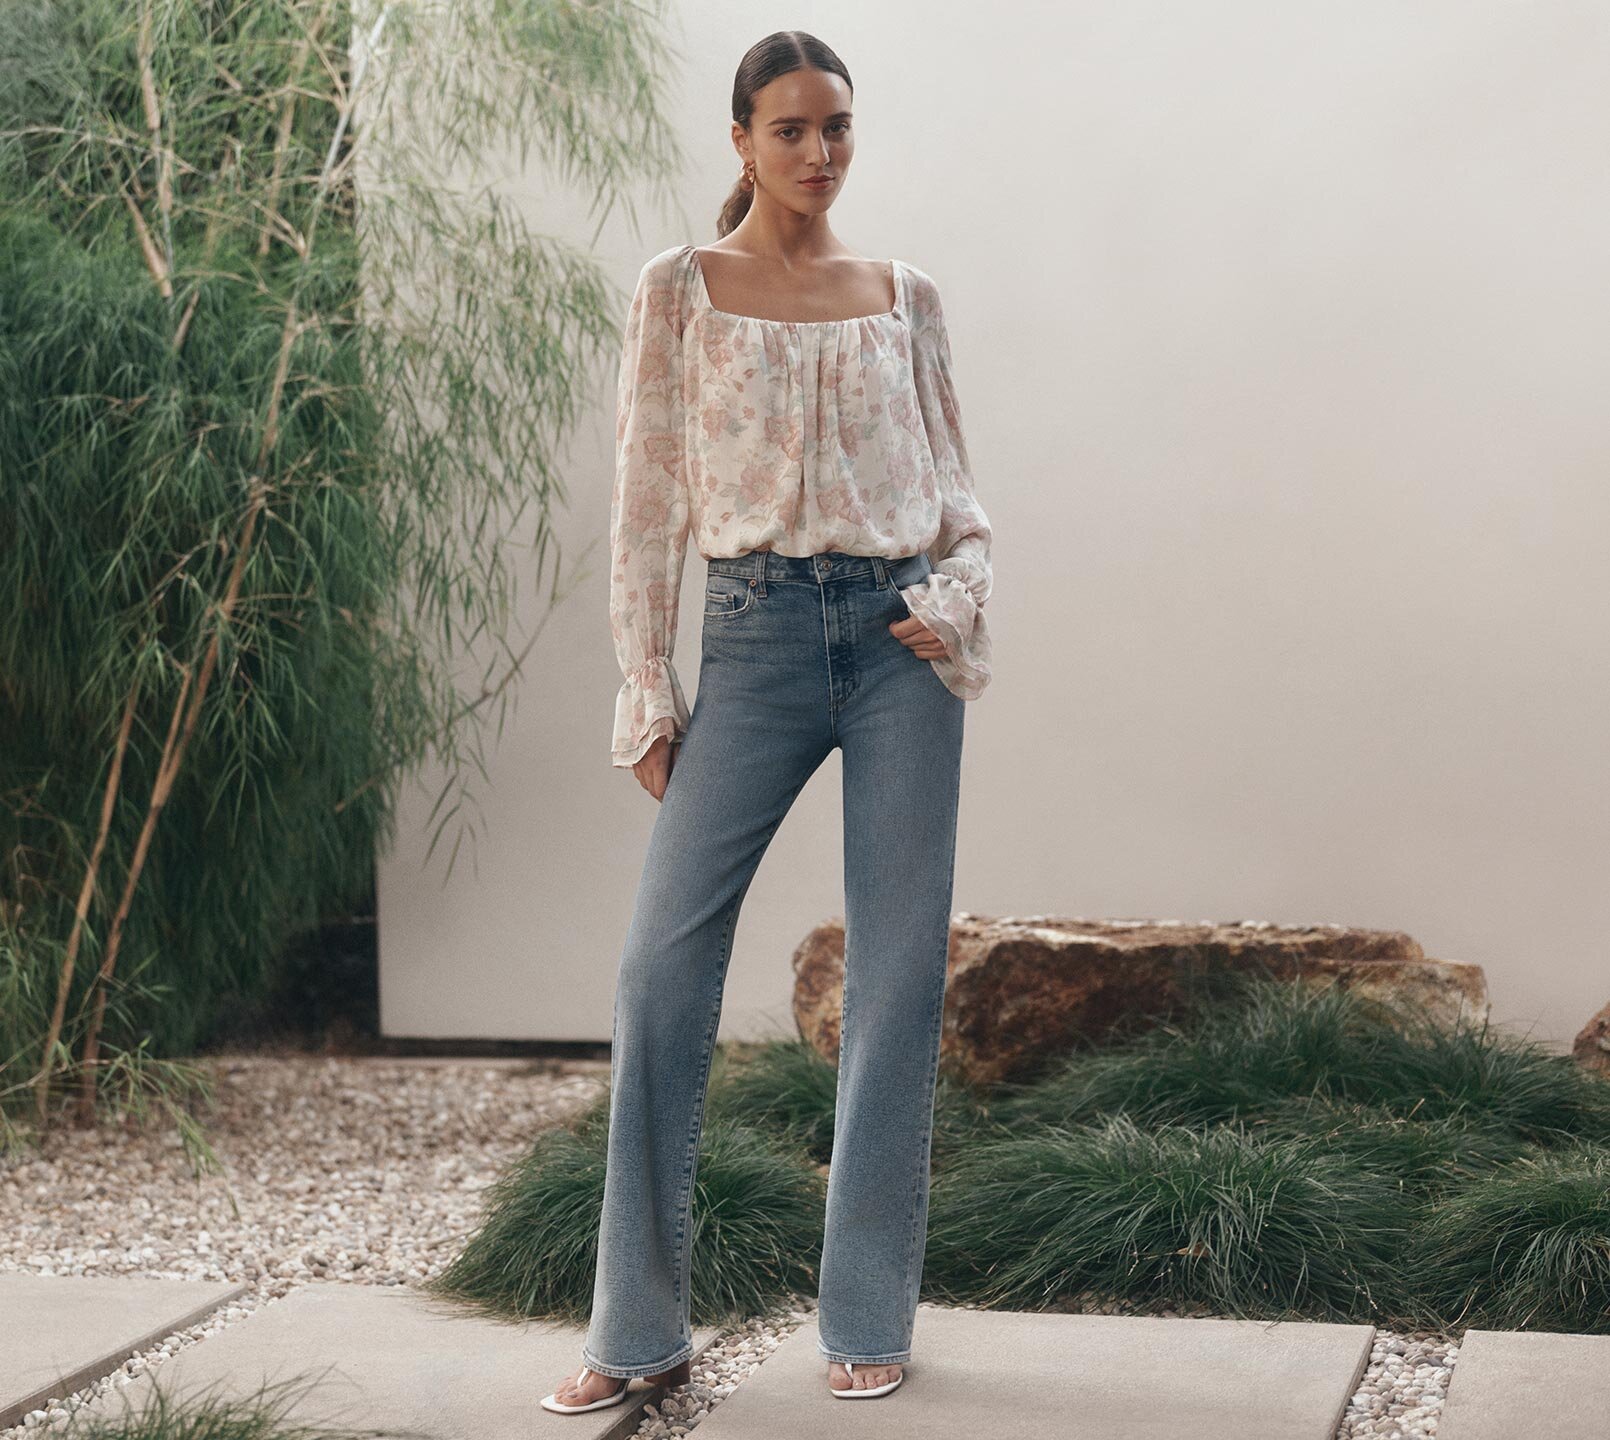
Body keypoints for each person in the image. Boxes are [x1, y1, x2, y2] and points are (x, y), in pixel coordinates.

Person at [541, 28, 993, 1415]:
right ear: (739, 138)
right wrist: (645, 687)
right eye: (789, 128)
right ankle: (638, 1331)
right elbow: (649, 501)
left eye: (836, 127)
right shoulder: (679, 290)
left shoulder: (901, 292)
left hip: (896, 646)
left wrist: (956, 601)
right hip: (749, 642)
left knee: (898, 975)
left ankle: (865, 1314)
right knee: (658, 974)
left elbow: (959, 494)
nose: (817, 153)